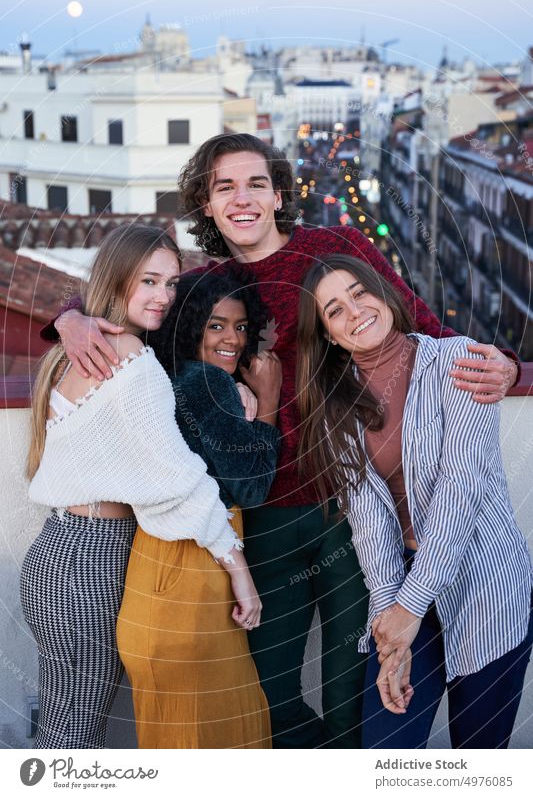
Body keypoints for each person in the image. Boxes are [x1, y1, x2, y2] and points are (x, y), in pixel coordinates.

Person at [44, 133, 519, 749]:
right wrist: (68, 316)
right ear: (206, 206)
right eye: (224, 188)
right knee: (272, 697)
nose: (242, 198)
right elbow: (128, 296)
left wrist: (501, 364)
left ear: (278, 195)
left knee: (357, 699)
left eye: (256, 183)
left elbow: (420, 330)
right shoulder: (204, 287)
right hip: (261, 519)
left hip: (349, 515)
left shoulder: (335, 249)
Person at [21, 223, 260, 749]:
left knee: (65, 726)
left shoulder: (77, 350)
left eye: (171, 284)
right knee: (75, 736)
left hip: (55, 556)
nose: (164, 296)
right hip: (92, 561)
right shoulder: (128, 356)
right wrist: (239, 570)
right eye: (149, 281)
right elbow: (177, 482)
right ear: (118, 277)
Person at [296, 253, 533, 749]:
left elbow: (459, 496)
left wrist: (407, 609)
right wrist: (391, 630)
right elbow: (369, 524)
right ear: (328, 336)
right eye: (334, 310)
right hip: (400, 583)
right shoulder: (335, 403)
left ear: (385, 293)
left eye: (359, 293)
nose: (354, 311)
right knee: (388, 750)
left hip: (486, 582)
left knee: (479, 756)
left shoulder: (458, 360)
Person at [116, 272, 281, 748]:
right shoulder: (206, 383)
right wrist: (267, 400)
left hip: (159, 567)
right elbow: (251, 488)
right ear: (189, 328)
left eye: (242, 327)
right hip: (195, 572)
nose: (233, 338)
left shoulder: (170, 378)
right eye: (216, 326)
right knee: (219, 736)